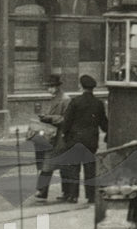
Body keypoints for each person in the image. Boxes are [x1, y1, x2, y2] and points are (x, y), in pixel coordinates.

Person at [60, 75, 108, 204]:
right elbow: (103, 123)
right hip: (91, 141)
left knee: (74, 168)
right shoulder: (98, 103)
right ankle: (91, 197)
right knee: (90, 169)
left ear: (81, 86)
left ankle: (73, 196)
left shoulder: (75, 102)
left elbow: (67, 121)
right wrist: (108, 132)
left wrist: (65, 134)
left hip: (75, 140)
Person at [34, 74, 70, 202]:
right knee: (51, 164)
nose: (48, 89)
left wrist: (48, 118)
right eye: (48, 87)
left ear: (56, 87)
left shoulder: (65, 100)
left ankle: (46, 191)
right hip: (51, 136)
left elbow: (65, 119)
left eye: (50, 87)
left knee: (53, 164)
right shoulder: (54, 99)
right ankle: (46, 192)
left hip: (60, 138)